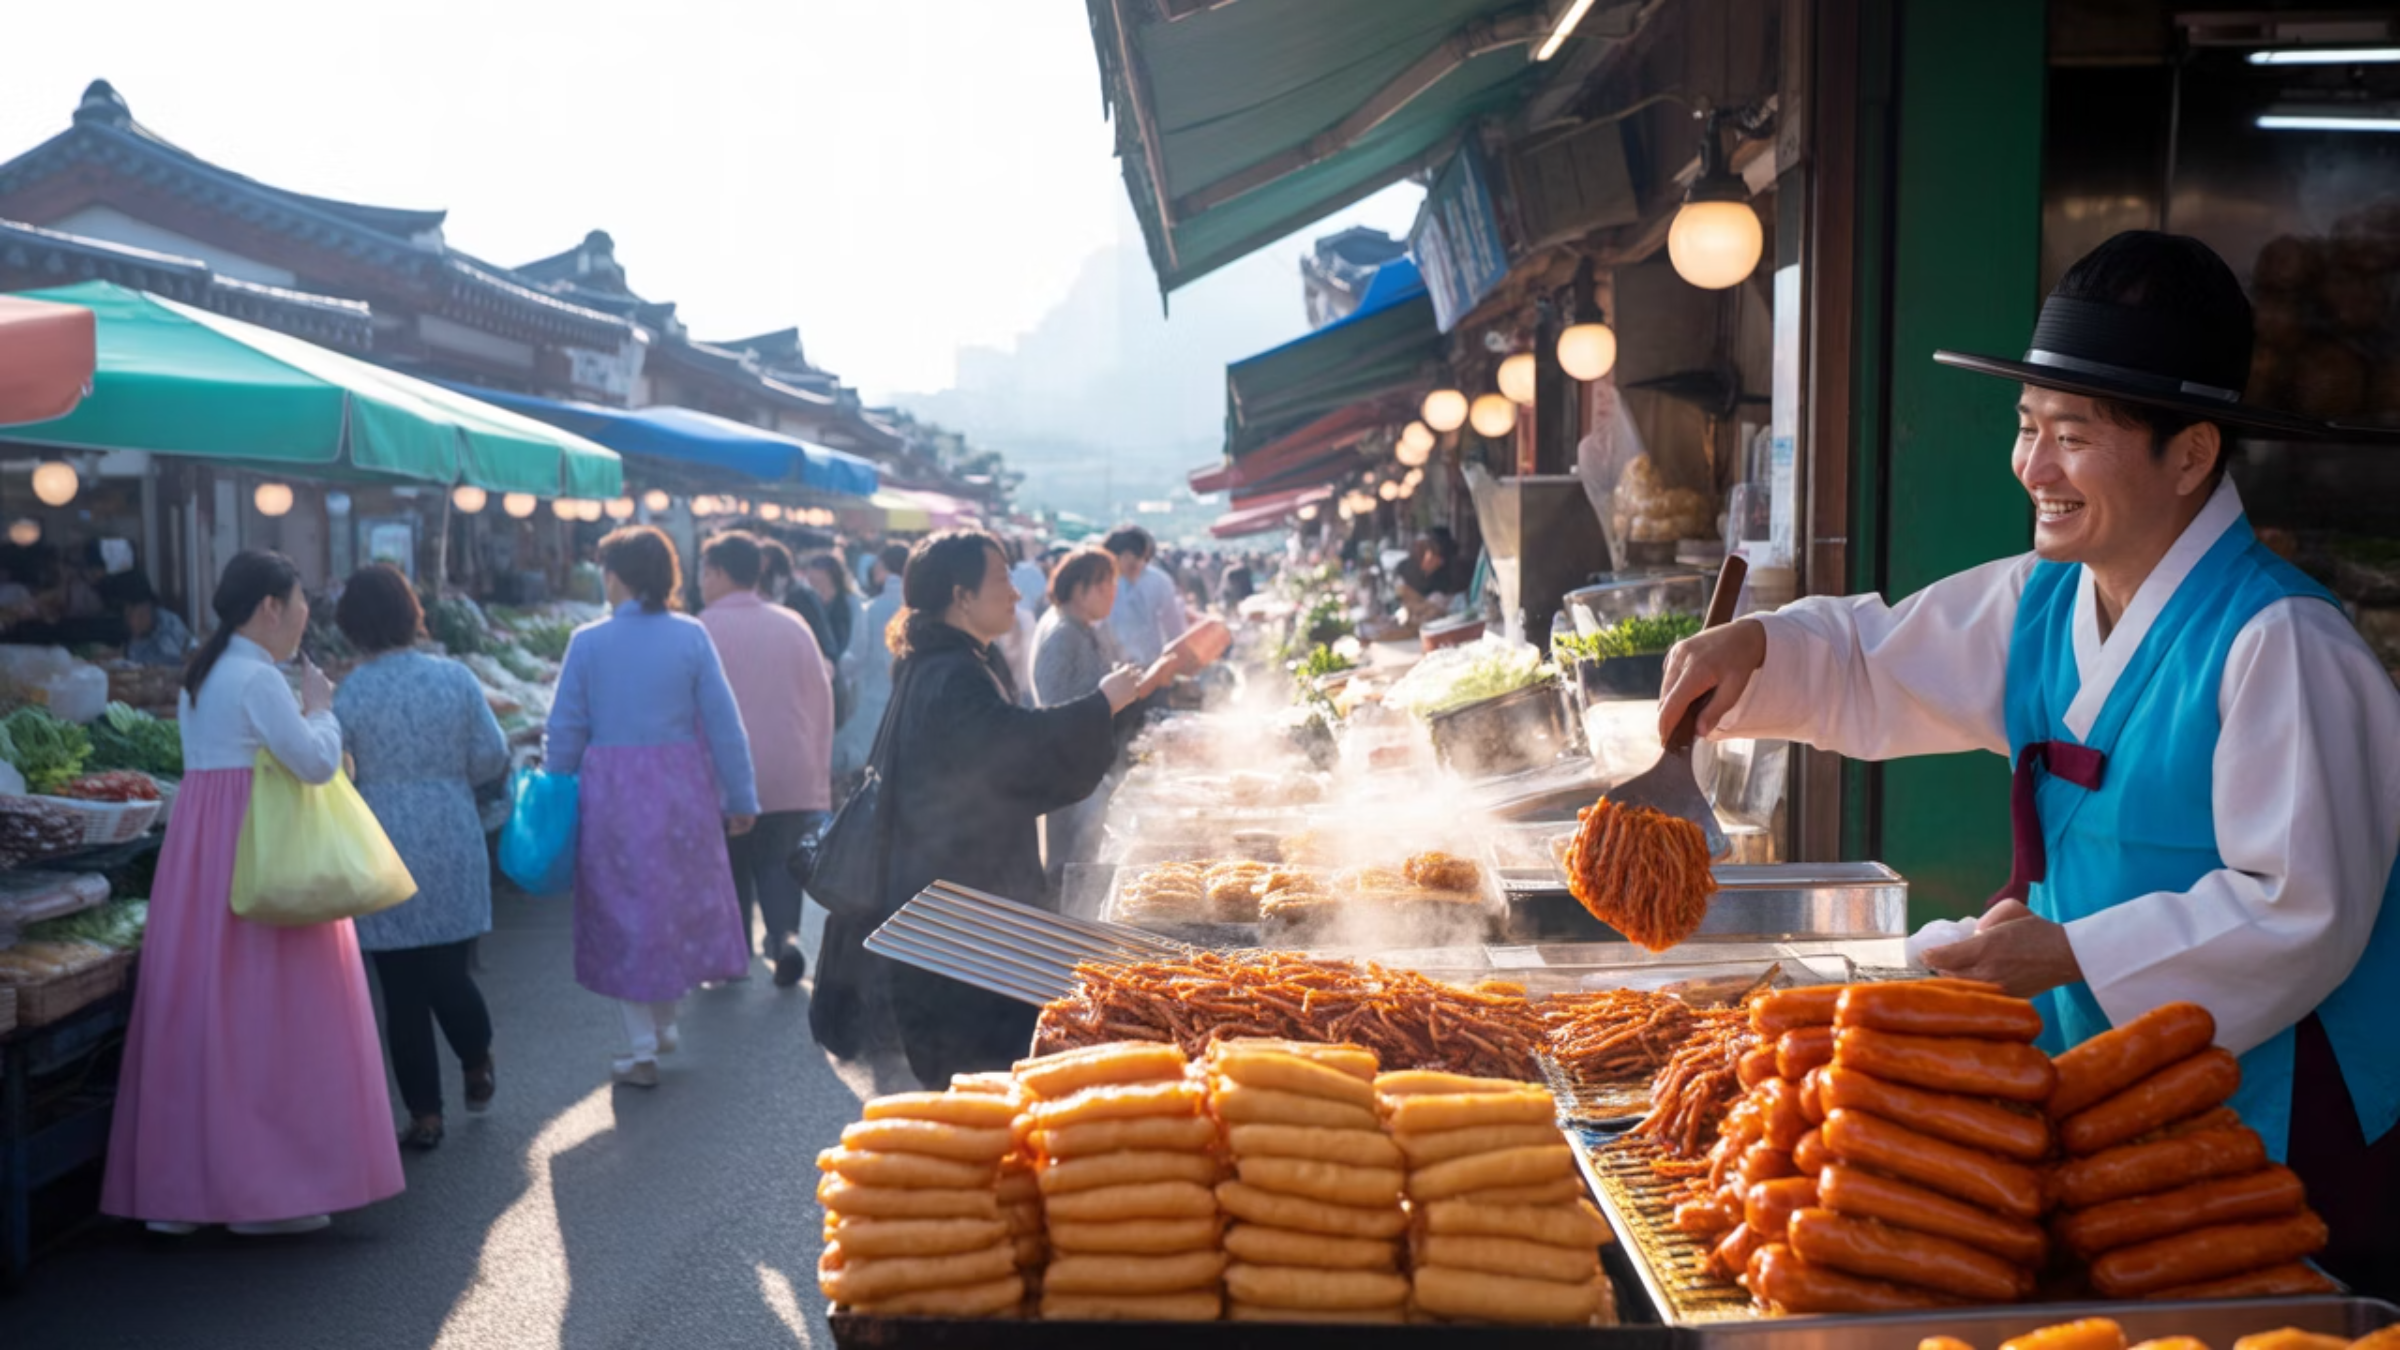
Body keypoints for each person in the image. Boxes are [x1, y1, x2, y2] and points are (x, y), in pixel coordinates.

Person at [1656, 231, 2400, 1294]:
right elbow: (1874, 663)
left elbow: (2298, 912)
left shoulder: (2283, 643)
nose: (2033, 469)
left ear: (2190, 455)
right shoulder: (2044, 596)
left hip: (2275, 1114)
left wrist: (2073, 952)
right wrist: (1758, 652)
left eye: (2073, 436)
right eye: (2027, 427)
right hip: (2107, 1089)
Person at [103, 551, 402, 1236]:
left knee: (200, 1018)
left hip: (200, 855)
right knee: (269, 1023)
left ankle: (182, 1195)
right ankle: (266, 1197)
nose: (303, 616)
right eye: (298, 603)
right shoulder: (259, 678)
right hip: (261, 855)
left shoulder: (201, 675)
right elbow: (316, 762)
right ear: (270, 606)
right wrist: (323, 711)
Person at [813, 531, 1143, 1086]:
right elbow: (1013, 750)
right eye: (1002, 580)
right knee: (977, 1085)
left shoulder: (947, 660)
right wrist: (1102, 705)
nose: (1017, 595)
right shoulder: (953, 672)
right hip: (957, 926)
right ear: (962, 596)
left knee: (975, 1084)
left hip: (954, 916)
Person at [544, 526, 759, 1089]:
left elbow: (564, 729)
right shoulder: (691, 636)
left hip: (612, 791)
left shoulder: (587, 642)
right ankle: (663, 1021)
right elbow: (725, 726)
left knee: (620, 912)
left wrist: (553, 782)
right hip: (682, 788)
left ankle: (642, 1044)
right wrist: (741, 798)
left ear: (615, 575)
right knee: (674, 904)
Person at [333, 565, 508, 1151]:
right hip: (450, 828)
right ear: (412, 613)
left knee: (400, 987)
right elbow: (491, 754)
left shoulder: (351, 690)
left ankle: (425, 1115)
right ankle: (476, 1055)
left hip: (380, 838)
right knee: (448, 969)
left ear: (353, 627)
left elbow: (336, 768)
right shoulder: (454, 678)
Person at [697, 532, 834, 989]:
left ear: (716, 572)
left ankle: (732, 953)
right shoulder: (793, 623)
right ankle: (784, 938)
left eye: (703, 571)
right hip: (791, 769)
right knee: (779, 862)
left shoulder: (701, 628)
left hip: (723, 776)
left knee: (729, 863)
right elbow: (822, 700)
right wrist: (817, 770)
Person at [1032, 547, 1179, 885]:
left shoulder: (1083, 627)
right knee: (1073, 871)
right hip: (1071, 773)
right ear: (1080, 589)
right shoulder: (1062, 634)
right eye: (1104, 586)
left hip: (1085, 769)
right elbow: (1058, 710)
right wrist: (1146, 682)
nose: (1113, 593)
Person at [832, 543, 910, 778]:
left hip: (873, 702)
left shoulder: (870, 609)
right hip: (910, 705)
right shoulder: (919, 609)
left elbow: (856, 656)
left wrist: (837, 671)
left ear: (884, 568)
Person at [1103, 525, 1187, 666]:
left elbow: (1174, 627)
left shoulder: (1159, 582)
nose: (1135, 562)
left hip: (1154, 663)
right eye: (1127, 556)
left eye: (1140, 556)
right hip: (1115, 666)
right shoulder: (1104, 584)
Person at [803, 553, 862, 728]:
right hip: (812, 672)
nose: (813, 582)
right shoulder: (807, 601)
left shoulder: (850, 602)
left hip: (841, 675)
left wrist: (843, 668)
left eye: (818, 578)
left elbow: (857, 639)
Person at [107, 571, 192, 667]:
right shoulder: (136, 634)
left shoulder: (170, 626)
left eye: (129, 614)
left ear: (146, 607)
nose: (128, 622)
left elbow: (174, 664)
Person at [1394, 528, 1473, 623]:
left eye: (1431, 551)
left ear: (1441, 559)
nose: (1426, 557)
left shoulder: (1447, 585)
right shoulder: (1419, 576)